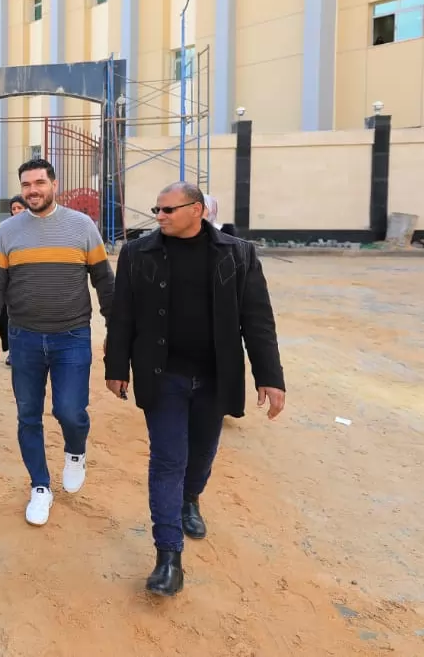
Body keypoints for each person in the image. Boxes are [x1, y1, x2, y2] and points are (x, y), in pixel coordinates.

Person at [103, 181, 286, 597]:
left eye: (168, 209)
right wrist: (117, 367)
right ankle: (168, 556)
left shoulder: (238, 254)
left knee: (202, 452)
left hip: (215, 377)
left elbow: (258, 320)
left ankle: (191, 498)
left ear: (197, 210)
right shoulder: (137, 253)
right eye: (157, 209)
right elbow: (123, 315)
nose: (159, 216)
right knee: (168, 459)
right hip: (162, 374)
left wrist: (270, 376)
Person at [0, 159, 114, 526]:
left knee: (70, 411)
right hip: (24, 338)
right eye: (26, 184)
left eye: (39, 182)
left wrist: (115, 329)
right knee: (28, 415)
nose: (33, 190)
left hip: (72, 336)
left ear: (54, 184)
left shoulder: (82, 226)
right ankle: (40, 486)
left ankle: (75, 451)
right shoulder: (8, 231)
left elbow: (104, 280)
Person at [0, 195, 28, 365]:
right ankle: (12, 351)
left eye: (20, 208)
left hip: (27, 279)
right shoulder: (6, 227)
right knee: (6, 316)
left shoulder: (33, 226)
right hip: (8, 277)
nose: (17, 211)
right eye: (14, 209)